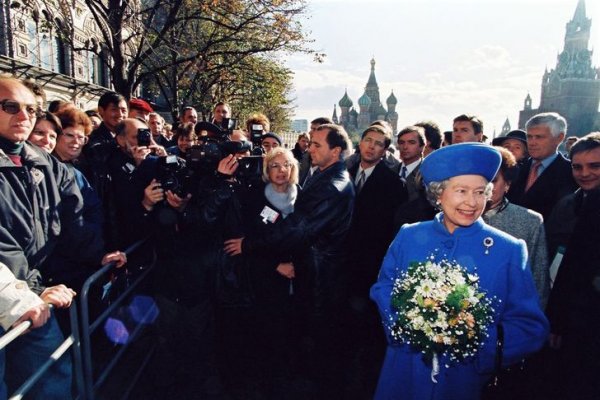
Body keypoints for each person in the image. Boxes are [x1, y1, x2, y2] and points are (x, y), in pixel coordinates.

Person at [370, 143, 548, 400]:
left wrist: (473, 344)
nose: (471, 202)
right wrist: (408, 326)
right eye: (461, 191)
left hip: (464, 380)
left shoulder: (508, 249)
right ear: (438, 194)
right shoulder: (409, 235)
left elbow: (530, 325)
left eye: (480, 192)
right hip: (405, 371)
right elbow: (384, 287)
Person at [545, 132, 600, 399]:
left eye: (594, 166)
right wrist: (558, 320)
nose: (585, 173)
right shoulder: (574, 203)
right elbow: (570, 266)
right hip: (577, 318)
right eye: (577, 167)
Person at [482, 147, 550, 308]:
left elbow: (538, 279)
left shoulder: (529, 221)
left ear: (507, 184)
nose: (485, 187)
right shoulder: (455, 217)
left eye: (493, 180)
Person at [507, 112, 577, 221]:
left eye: (539, 137)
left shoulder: (571, 173)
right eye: (529, 136)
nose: (532, 143)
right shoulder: (515, 168)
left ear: (559, 138)